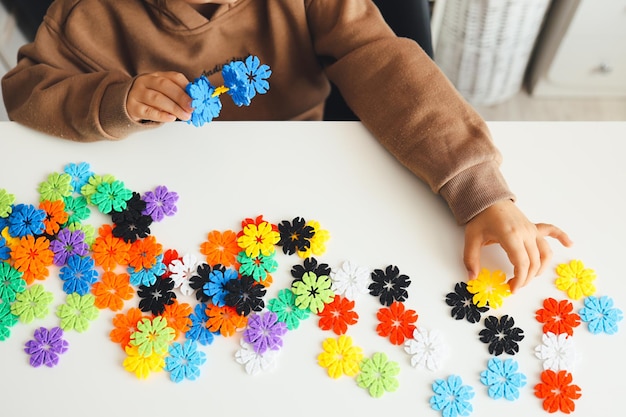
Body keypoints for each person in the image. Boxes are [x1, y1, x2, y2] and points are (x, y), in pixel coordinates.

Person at [0, 0, 572, 291]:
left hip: (302, 176)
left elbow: (384, 64)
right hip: (163, 199)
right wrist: (115, 99)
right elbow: (26, 92)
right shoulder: (85, 17)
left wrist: (480, 191)